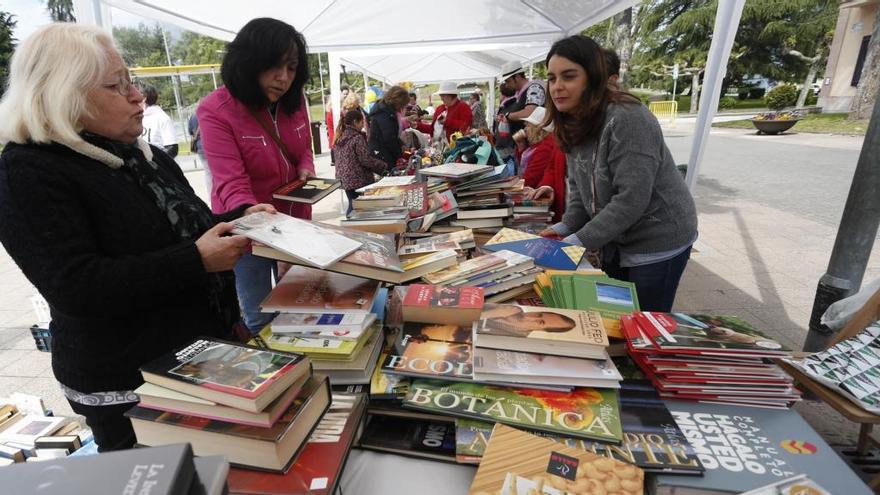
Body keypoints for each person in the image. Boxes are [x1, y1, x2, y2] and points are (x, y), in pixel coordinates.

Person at [0, 23, 275, 451]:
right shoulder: (28, 171)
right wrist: (196, 260)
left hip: (194, 360)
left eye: (131, 80)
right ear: (65, 96)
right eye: (117, 85)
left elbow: (177, 232)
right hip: (131, 383)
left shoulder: (139, 155)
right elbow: (76, 285)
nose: (137, 95)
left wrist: (238, 219)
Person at [538, 35, 698, 312]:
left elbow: (632, 199)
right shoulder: (573, 120)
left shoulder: (627, 117)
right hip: (616, 239)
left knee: (645, 324)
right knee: (617, 316)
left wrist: (575, 242)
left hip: (658, 241)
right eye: (551, 78)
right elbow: (578, 189)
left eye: (569, 76)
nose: (557, 87)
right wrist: (563, 228)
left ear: (594, 77)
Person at [198, 17, 316, 334]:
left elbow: (304, 147)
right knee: (260, 316)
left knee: (301, 306)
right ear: (249, 62)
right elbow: (230, 181)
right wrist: (254, 213)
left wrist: (307, 167)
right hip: (247, 230)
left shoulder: (296, 101)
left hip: (296, 222)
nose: (283, 78)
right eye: (274, 66)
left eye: (292, 68)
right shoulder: (215, 109)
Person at [515, 107, 567, 222]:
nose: (525, 129)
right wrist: (521, 148)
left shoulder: (545, 148)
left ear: (537, 128)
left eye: (528, 125)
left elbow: (531, 177)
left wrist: (511, 187)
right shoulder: (537, 145)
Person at [334, 109, 388, 214]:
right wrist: (382, 166)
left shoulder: (340, 136)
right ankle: (352, 228)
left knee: (352, 204)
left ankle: (349, 226)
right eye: (362, 122)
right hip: (357, 179)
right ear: (355, 122)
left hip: (344, 179)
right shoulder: (357, 138)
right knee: (358, 207)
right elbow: (365, 160)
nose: (363, 125)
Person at [497, 61, 547, 140]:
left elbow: (529, 113)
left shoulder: (534, 88)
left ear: (517, 77)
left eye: (508, 81)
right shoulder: (520, 93)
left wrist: (508, 115)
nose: (506, 85)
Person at [368, 85, 409, 168]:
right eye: (402, 105)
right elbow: (389, 138)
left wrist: (401, 144)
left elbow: (392, 134)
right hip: (382, 153)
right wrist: (400, 155)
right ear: (398, 102)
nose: (402, 108)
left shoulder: (385, 111)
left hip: (381, 151)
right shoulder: (384, 113)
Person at [479, 304, 577, 338]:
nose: (531, 318)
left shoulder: (515, 337)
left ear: (541, 330)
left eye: (540, 322)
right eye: (538, 314)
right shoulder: (514, 308)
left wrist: (494, 313)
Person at [140, 84, 178, 158]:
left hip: (156, 166)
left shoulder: (162, 118)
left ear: (144, 98)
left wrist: (153, 161)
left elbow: (172, 148)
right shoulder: (140, 117)